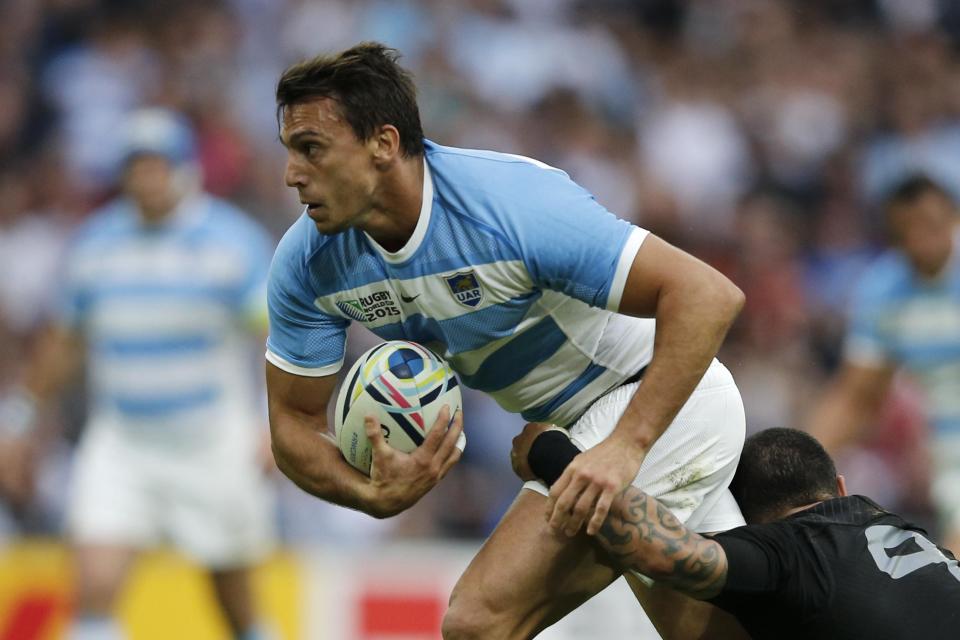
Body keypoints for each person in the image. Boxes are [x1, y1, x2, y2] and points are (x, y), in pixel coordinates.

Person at [266, 42, 747, 639]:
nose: (292, 174)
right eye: (289, 151)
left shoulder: (510, 206)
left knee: (479, 621)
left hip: (660, 406)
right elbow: (290, 420)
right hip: (567, 440)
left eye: (311, 149)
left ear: (384, 144)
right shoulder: (307, 264)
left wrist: (627, 445)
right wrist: (369, 491)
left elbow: (708, 296)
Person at [0, 108, 276, 640]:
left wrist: (275, 421)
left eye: (156, 164)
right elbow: (63, 343)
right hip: (123, 440)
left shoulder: (230, 241)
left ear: (184, 168)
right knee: (96, 581)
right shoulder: (96, 245)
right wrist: (19, 419)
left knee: (233, 597)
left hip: (211, 439)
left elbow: (273, 339)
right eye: (135, 166)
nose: (145, 178)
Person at [513, 424, 960, 639]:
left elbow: (664, 554)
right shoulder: (909, 535)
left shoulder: (791, 553)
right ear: (840, 487)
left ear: (750, 523)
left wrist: (550, 452)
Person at [808, 174, 960, 555]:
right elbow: (856, 398)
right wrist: (799, 467)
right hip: (941, 453)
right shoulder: (881, 289)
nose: (922, 239)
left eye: (932, 225)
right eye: (908, 230)